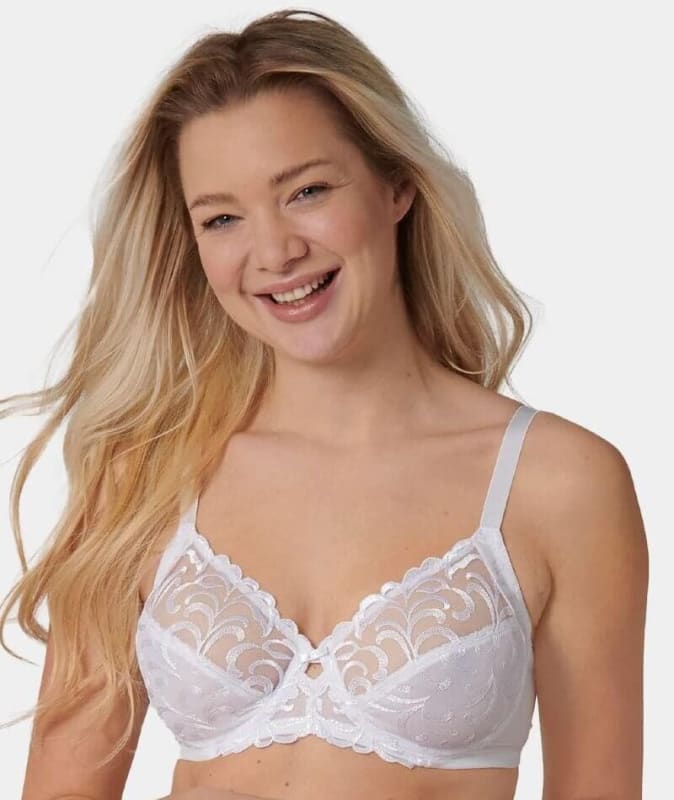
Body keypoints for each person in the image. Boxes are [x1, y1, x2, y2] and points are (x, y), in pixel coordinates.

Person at [0, 8, 648, 800]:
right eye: (223, 218)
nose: (275, 252)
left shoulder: (560, 483)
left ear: (396, 184)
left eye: (306, 191)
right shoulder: (144, 474)